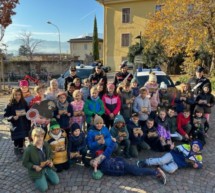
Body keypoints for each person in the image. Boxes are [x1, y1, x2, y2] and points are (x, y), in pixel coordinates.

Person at [22, 127, 59, 192]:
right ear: (33, 137)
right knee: (43, 189)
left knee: (56, 181)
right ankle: (38, 178)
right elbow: (25, 163)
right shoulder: (29, 150)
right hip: (37, 170)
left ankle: (45, 174)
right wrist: (34, 166)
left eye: (42, 136)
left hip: (47, 167)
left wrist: (50, 161)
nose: (40, 138)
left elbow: (50, 154)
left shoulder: (46, 144)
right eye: (38, 136)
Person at [90, 154, 167, 185]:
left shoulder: (104, 159)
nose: (94, 163)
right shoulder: (101, 170)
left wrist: (98, 159)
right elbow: (97, 176)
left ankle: (156, 172)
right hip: (123, 171)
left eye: (93, 161)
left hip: (124, 166)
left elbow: (108, 156)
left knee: (137, 172)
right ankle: (142, 164)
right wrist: (95, 168)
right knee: (136, 170)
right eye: (92, 164)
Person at [137, 140, 203, 174]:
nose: (195, 148)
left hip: (178, 163)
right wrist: (173, 148)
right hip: (172, 155)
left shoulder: (198, 156)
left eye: (197, 147)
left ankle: (159, 165)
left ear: (199, 149)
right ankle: (145, 162)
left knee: (171, 170)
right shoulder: (186, 146)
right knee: (161, 160)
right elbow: (176, 149)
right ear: (192, 145)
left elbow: (200, 164)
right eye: (194, 146)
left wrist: (198, 165)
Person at [4, 88, 31, 159]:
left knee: (22, 138)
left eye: (19, 94)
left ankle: (21, 149)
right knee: (16, 139)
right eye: (16, 95)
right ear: (13, 95)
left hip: (23, 124)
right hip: (15, 126)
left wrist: (29, 117)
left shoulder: (24, 103)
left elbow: (28, 113)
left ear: (21, 95)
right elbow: (6, 116)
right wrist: (12, 117)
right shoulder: (10, 105)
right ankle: (16, 148)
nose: (17, 96)